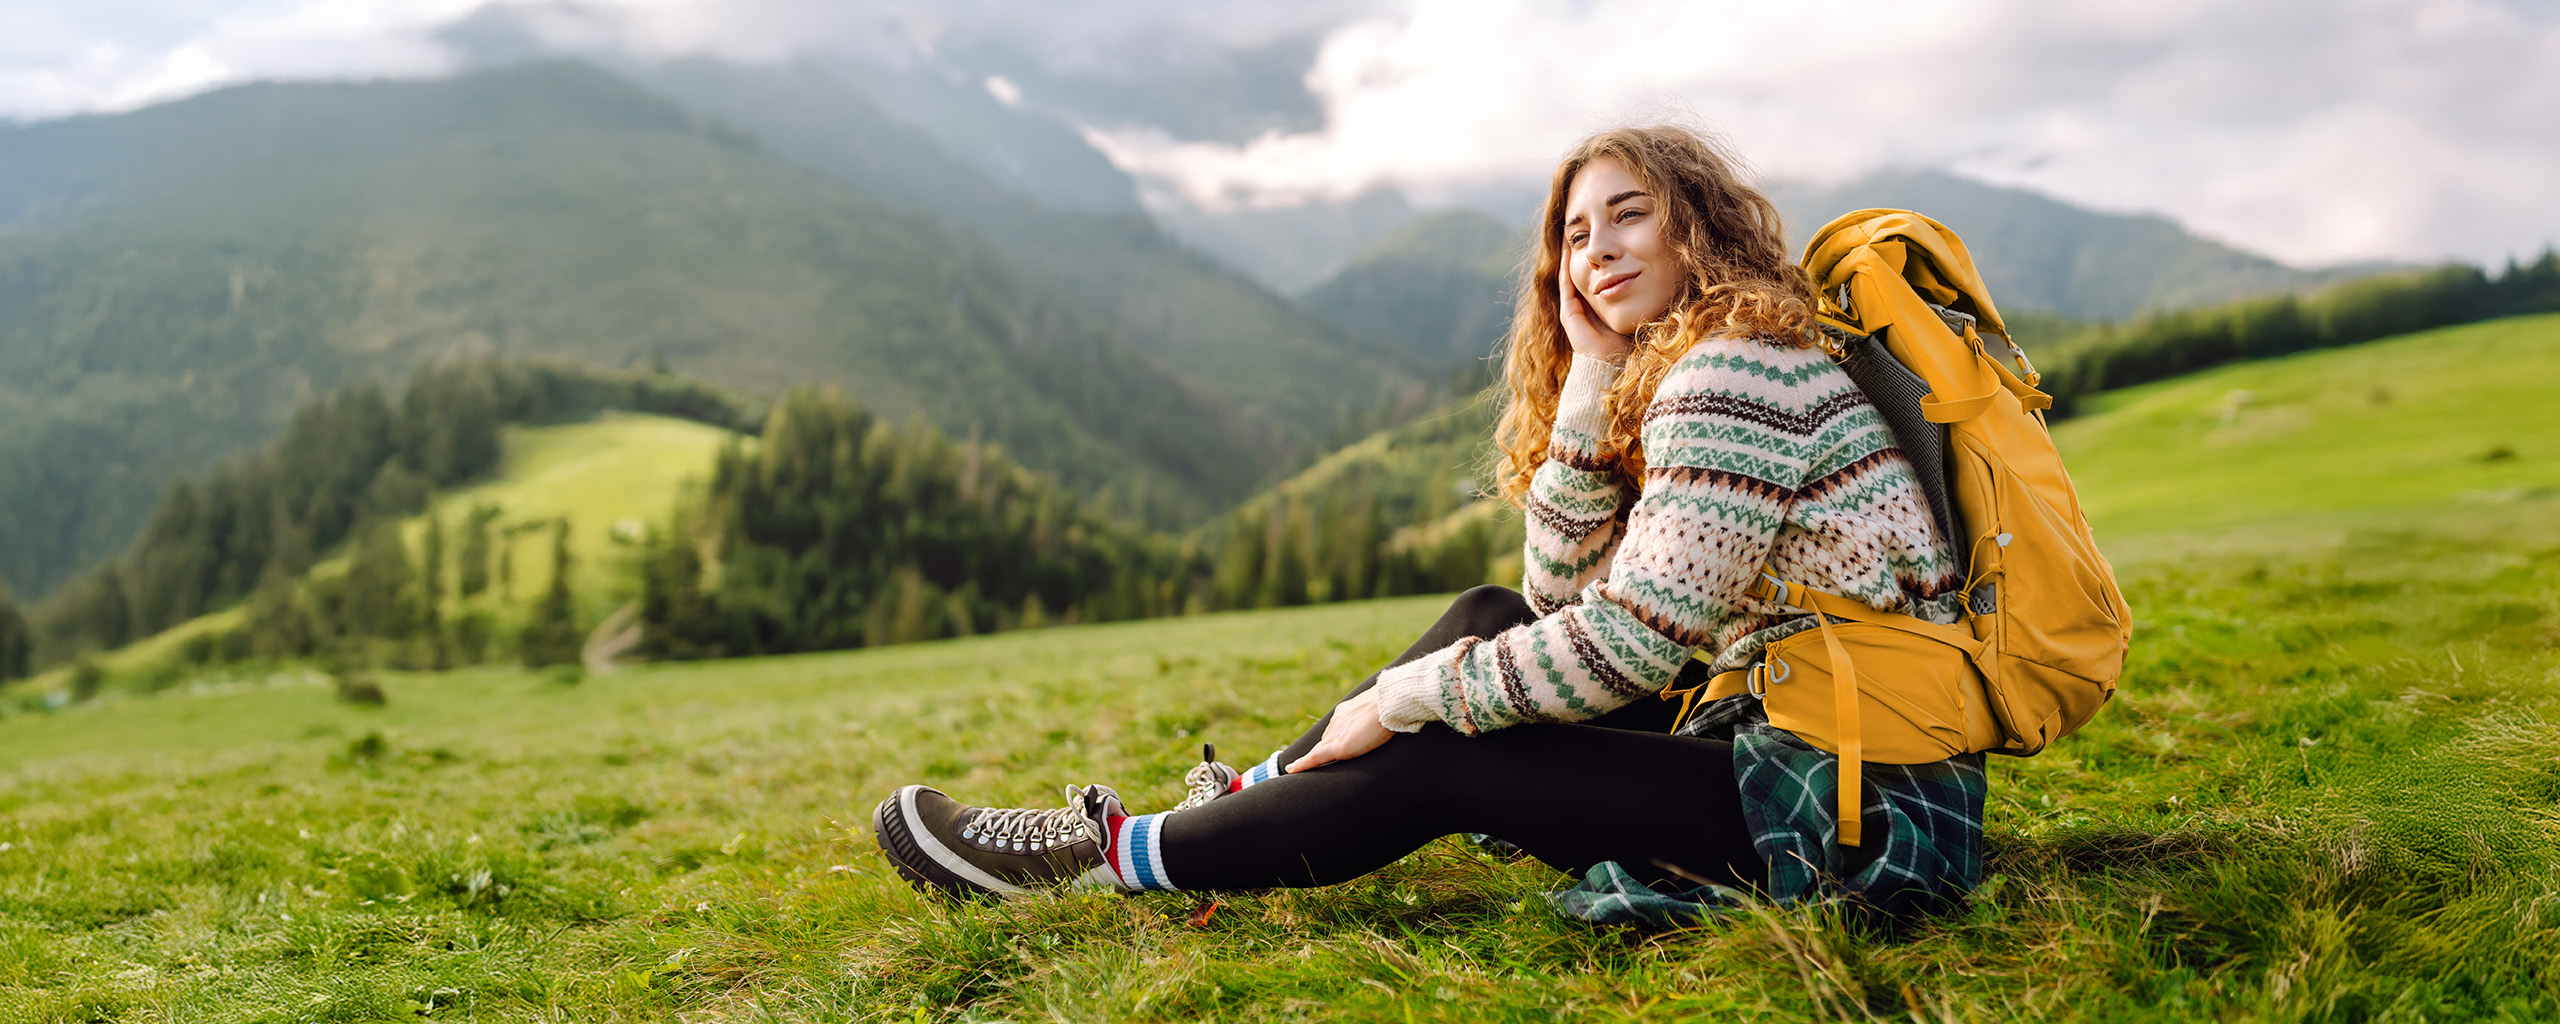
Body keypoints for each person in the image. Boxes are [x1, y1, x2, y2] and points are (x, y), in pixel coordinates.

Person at [871, 125, 1985, 917]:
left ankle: (1106, 855)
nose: (1592, 249)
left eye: (1628, 214)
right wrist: (1591, 383)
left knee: (1438, 749)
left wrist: (1403, 697)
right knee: (1485, 615)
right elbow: (1552, 601)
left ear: (1699, 227)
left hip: (1847, 810)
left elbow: (1626, 645)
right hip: (1795, 748)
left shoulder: (1731, 377)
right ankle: (1247, 805)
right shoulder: (1697, 363)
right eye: (1574, 231)